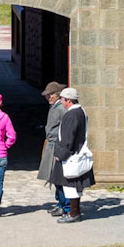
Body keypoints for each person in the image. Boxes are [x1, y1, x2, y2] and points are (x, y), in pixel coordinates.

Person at [50, 84, 94, 223]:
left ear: (68, 100)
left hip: (71, 155)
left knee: (71, 186)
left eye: (62, 99)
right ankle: (74, 212)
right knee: (73, 187)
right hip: (76, 152)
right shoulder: (81, 111)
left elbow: (69, 137)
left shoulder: (72, 114)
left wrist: (61, 154)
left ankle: (74, 214)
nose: (61, 102)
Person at [37, 81, 70, 218]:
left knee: (59, 177)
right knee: (54, 176)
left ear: (57, 95)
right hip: (51, 143)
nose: (48, 97)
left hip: (57, 143)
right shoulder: (55, 107)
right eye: (47, 95)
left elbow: (67, 127)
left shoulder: (61, 109)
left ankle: (65, 206)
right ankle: (60, 203)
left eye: (50, 95)